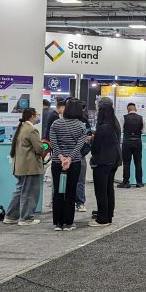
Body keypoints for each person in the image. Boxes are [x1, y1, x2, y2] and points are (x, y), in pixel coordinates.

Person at [49, 98, 87, 232]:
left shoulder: (56, 124)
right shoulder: (81, 126)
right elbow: (80, 144)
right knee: (71, 192)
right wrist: (69, 158)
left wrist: (61, 157)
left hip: (57, 162)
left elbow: (53, 142)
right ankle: (68, 223)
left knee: (58, 192)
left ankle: (58, 223)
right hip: (74, 163)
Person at [3, 108, 43, 226]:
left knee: (20, 191)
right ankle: (26, 218)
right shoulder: (32, 130)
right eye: (37, 115)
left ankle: (11, 216)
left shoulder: (20, 128)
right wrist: (45, 146)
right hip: (30, 167)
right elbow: (39, 148)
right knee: (29, 193)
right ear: (32, 116)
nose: (37, 117)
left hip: (20, 166)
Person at [90, 100, 122, 227]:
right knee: (109, 189)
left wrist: (92, 140)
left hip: (102, 161)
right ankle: (108, 215)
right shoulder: (115, 123)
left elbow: (96, 147)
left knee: (101, 190)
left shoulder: (103, 127)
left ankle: (102, 218)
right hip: (113, 160)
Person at [118, 102, 146, 188]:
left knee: (126, 163)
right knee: (138, 163)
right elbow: (144, 131)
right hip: (138, 141)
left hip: (127, 142)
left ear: (128, 110)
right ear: (136, 110)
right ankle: (139, 182)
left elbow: (121, 130)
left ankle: (126, 182)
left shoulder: (123, 118)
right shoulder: (141, 118)